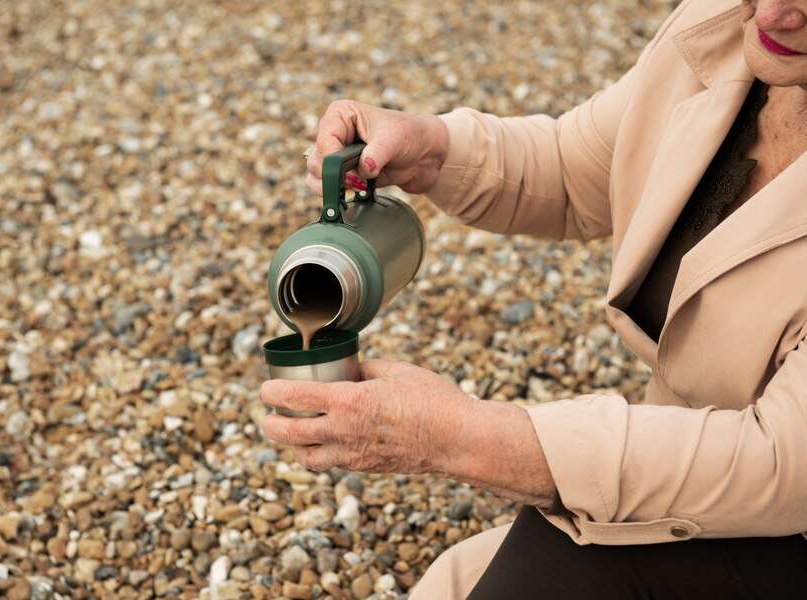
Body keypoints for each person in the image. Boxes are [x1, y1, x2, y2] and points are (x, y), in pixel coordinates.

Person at [260, 0, 807, 597]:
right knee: (454, 585)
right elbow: (582, 168)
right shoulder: (725, 28)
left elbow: (779, 460)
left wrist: (466, 438)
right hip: (692, 490)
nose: (777, 13)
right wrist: (435, 149)